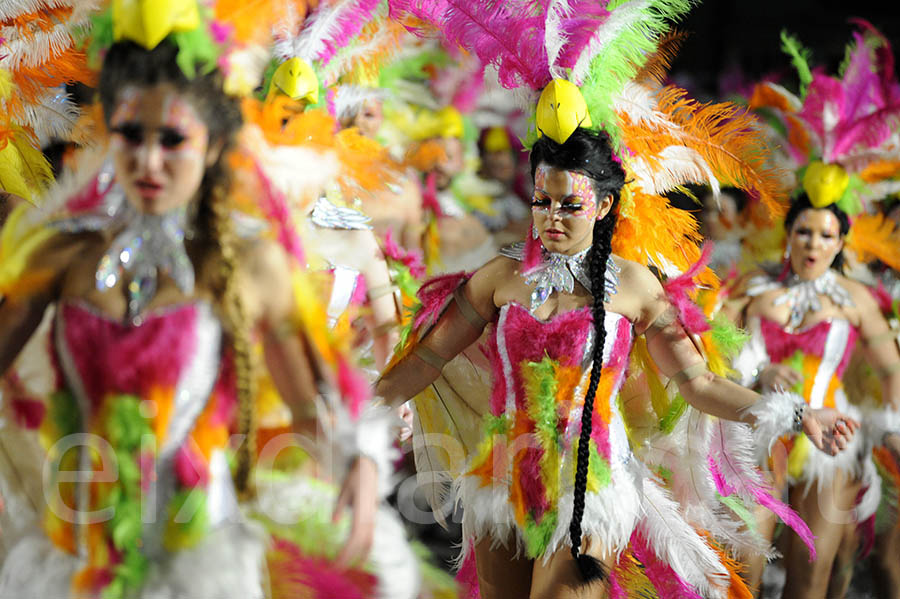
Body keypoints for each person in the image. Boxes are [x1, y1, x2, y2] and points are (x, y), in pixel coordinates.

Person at [377, 128, 858, 599]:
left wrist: (798, 414)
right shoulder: (500, 276)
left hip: (592, 481)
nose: (552, 218)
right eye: (542, 202)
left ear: (604, 206)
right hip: (502, 475)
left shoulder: (636, 287)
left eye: (570, 205)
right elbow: (427, 358)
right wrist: (360, 406)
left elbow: (700, 382)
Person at [0, 38, 391, 598]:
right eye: (131, 136)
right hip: (80, 552)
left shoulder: (249, 264)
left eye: (173, 140)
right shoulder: (61, 254)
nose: (148, 161)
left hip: (198, 557)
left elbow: (313, 404)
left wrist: (357, 458)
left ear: (212, 148)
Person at [726, 195, 900, 598]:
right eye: (804, 232)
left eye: (827, 236)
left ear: (840, 244)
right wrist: (758, 371)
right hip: (759, 430)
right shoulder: (752, 285)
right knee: (742, 565)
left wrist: (892, 428)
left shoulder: (854, 297)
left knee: (811, 573)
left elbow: (890, 369)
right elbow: (713, 347)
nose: (813, 244)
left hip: (831, 438)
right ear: (788, 234)